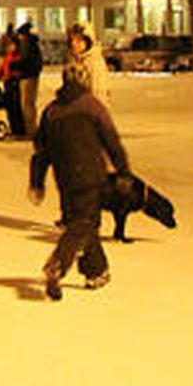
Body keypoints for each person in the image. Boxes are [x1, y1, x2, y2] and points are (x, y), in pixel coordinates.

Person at [29, 63, 131, 300]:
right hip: (91, 175)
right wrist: (124, 171)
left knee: (83, 224)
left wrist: (37, 181)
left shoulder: (51, 111)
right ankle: (58, 264)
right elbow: (111, 140)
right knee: (83, 224)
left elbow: (41, 150)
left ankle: (96, 271)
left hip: (64, 178)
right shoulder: (92, 106)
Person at [65, 21, 109, 108]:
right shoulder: (71, 61)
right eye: (72, 40)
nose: (73, 43)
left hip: (89, 112)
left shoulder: (94, 63)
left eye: (78, 40)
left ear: (87, 42)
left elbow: (98, 93)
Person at [14, 21, 44, 138]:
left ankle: (30, 131)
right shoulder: (31, 45)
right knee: (28, 104)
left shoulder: (28, 46)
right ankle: (30, 129)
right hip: (30, 75)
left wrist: (15, 65)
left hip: (28, 76)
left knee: (27, 104)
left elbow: (26, 61)